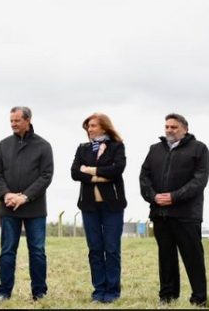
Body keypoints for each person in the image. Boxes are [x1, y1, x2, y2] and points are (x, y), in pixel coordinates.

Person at [140, 113, 209, 307]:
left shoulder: (199, 149)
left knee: (193, 258)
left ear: (185, 129)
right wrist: (153, 196)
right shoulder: (155, 150)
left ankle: (199, 298)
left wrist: (174, 197)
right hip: (160, 214)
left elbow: (199, 180)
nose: (169, 130)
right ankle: (167, 296)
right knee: (166, 257)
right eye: (167, 127)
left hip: (187, 215)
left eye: (174, 127)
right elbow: (144, 177)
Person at [0, 106, 54, 302]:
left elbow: (46, 176)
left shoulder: (43, 146)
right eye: (11, 121)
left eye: (17, 120)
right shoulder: (3, 145)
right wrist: (6, 194)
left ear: (28, 120)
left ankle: (39, 292)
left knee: (37, 251)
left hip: (34, 208)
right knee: (7, 250)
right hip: (9, 207)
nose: (13, 124)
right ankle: (4, 292)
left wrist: (25, 197)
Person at [70, 113, 127, 303]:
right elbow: (74, 173)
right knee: (95, 249)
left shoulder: (117, 147)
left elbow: (117, 170)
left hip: (113, 206)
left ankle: (112, 292)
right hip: (89, 206)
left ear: (104, 127)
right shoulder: (83, 148)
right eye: (88, 126)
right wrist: (100, 175)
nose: (90, 129)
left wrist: (91, 170)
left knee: (111, 248)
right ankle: (98, 290)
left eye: (93, 125)